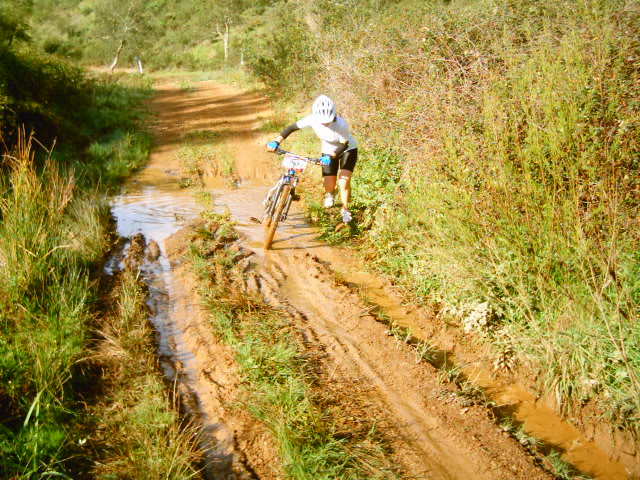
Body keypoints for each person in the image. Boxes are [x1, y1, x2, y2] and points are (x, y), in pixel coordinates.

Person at [267, 95, 357, 224]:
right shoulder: (311, 119)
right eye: (322, 120)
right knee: (328, 184)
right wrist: (276, 141)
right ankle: (330, 194)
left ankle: (345, 210)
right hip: (327, 150)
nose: (325, 123)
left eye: (328, 120)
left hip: (347, 150)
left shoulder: (341, 124)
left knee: (343, 181)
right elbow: (291, 128)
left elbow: (344, 144)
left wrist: (330, 156)